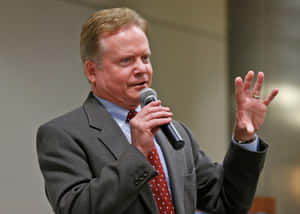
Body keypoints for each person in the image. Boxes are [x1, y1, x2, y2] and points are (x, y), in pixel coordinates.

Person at [36, 7, 279, 214]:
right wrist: (138, 152)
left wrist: (244, 138)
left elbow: (227, 203)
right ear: (92, 71)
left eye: (145, 58)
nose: (142, 69)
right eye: (126, 61)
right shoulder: (62, 135)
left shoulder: (174, 132)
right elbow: (77, 209)